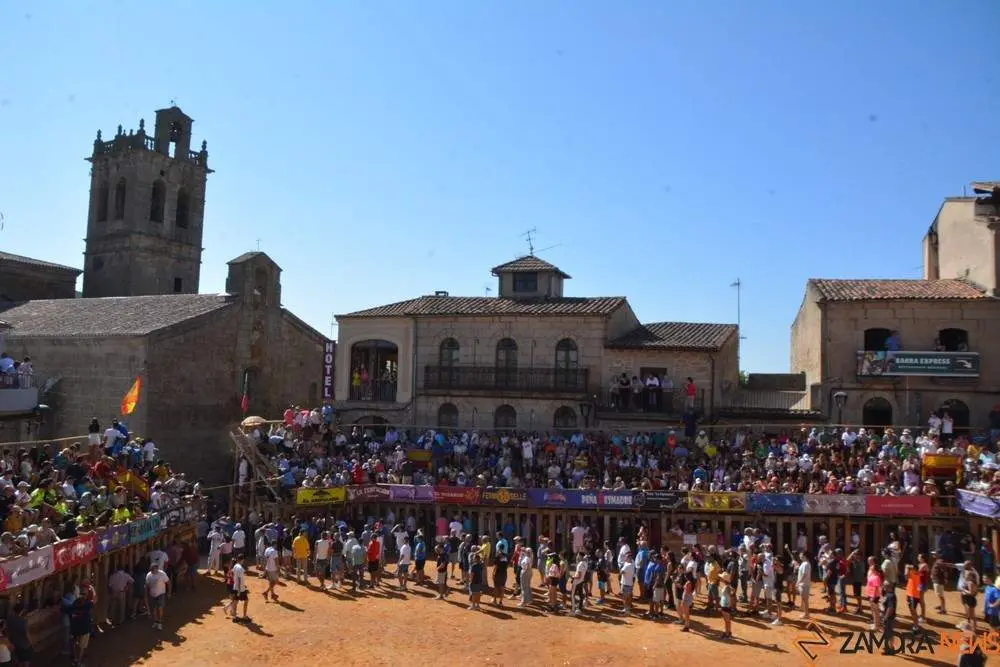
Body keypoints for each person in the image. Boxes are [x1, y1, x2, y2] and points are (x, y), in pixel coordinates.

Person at [145, 561, 171, 631]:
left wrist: (169, 593)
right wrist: (146, 594)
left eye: (154, 569)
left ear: (157, 569)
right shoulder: (149, 575)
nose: (153, 571)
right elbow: (147, 585)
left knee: (160, 608)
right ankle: (156, 621)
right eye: (152, 570)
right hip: (152, 594)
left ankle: (159, 622)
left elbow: (168, 582)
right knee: (153, 609)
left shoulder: (162, 574)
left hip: (161, 593)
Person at [230, 555, 251, 623]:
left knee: (235, 602)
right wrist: (239, 590)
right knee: (246, 600)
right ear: (242, 560)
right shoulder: (240, 568)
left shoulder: (235, 566)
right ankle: (244, 616)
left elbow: (232, 573)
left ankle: (234, 617)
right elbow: (239, 579)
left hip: (235, 587)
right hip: (240, 589)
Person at [880, 580, 897, 656]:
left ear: (888, 587)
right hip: (887, 617)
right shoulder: (888, 594)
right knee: (887, 632)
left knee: (889, 633)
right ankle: (888, 647)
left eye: (884, 586)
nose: (883, 587)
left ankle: (890, 649)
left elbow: (890, 608)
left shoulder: (891, 596)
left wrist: (885, 617)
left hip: (889, 617)